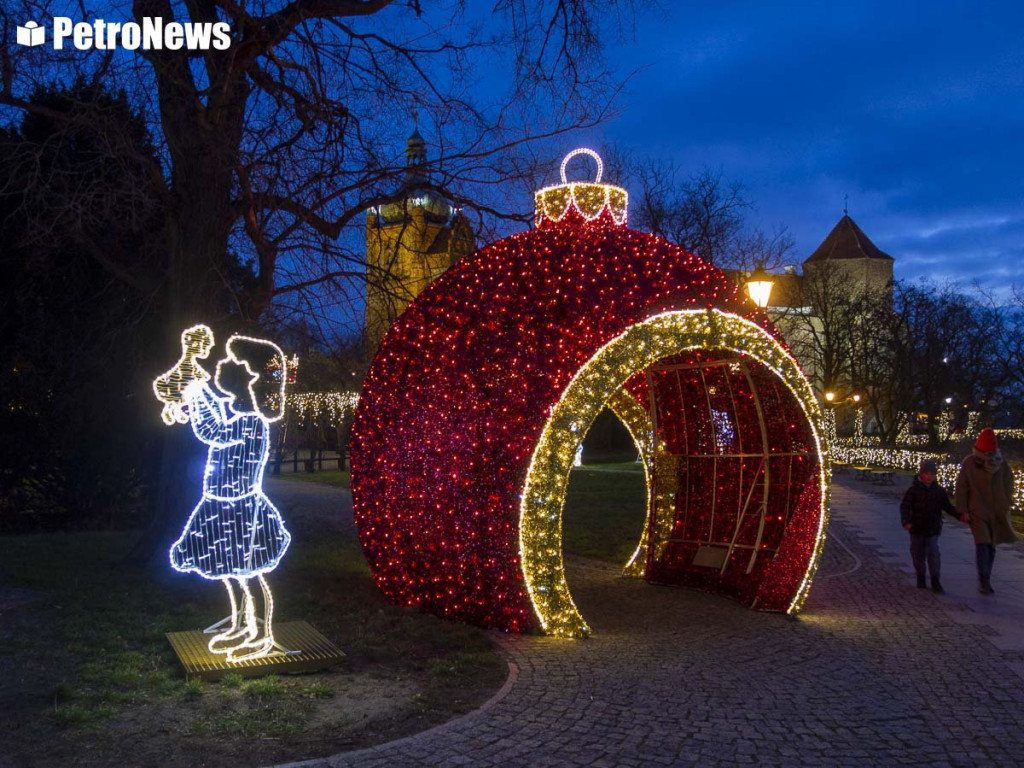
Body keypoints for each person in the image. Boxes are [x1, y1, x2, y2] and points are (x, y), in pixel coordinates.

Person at [955, 427, 1018, 594]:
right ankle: (984, 579)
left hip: (996, 510)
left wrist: (1007, 500)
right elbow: (962, 487)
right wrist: (963, 509)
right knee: (983, 544)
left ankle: (986, 577)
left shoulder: (1001, 464)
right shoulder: (971, 463)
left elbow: (1009, 483)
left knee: (991, 546)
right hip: (979, 511)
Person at [900, 458, 957, 593]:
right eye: (926, 473)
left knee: (933, 553)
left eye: (932, 474)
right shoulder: (913, 490)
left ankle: (935, 579)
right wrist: (906, 521)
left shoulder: (939, 491)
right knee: (917, 553)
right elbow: (905, 506)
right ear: (921, 473)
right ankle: (920, 576)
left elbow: (947, 507)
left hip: (933, 527)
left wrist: (960, 516)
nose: (929, 476)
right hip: (917, 527)